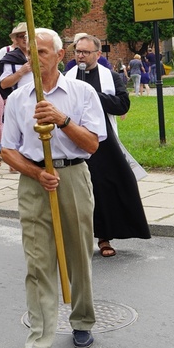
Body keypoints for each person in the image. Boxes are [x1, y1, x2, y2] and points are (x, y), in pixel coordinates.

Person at [1, 28, 106, 348]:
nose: (35, 58)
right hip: (34, 183)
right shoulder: (18, 98)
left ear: (60, 56)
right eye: (30, 52)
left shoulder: (81, 92)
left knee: (78, 255)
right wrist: (35, 172)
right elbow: (7, 150)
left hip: (72, 177)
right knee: (37, 261)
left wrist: (62, 120)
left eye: (42, 52)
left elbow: (92, 144)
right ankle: (40, 336)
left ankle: (82, 320)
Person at [66, 35, 151, 259]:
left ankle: (105, 236)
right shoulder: (69, 76)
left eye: (85, 52)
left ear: (97, 54)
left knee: (110, 185)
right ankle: (77, 238)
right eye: (77, 51)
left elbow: (123, 104)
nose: (80, 56)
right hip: (73, 137)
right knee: (77, 188)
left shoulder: (110, 76)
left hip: (102, 139)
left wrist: (93, 96)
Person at [0, 22, 33, 98]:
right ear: (16, 40)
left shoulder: (41, 56)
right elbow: (3, 84)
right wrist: (21, 72)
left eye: (27, 36)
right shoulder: (11, 58)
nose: (25, 39)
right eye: (21, 36)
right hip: (20, 101)